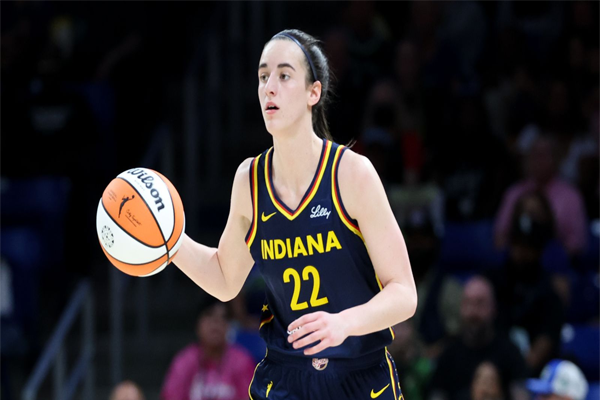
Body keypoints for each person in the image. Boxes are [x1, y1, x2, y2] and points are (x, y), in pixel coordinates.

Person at [174, 29, 417, 400]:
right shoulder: (249, 181)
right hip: (287, 378)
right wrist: (170, 243)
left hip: (361, 375)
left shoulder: (351, 174)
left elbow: (404, 294)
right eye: (262, 76)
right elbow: (225, 278)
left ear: (313, 93)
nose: (269, 86)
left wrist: (344, 323)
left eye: (284, 75)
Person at [429, 276, 528, 400]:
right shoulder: (448, 356)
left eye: (480, 303)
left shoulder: (511, 353)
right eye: (468, 303)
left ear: (493, 308)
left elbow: (522, 395)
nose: (473, 312)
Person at [160, 296, 256, 400]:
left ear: (229, 326)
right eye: (210, 316)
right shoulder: (184, 361)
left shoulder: (241, 361)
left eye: (222, 318)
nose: (216, 323)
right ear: (198, 324)